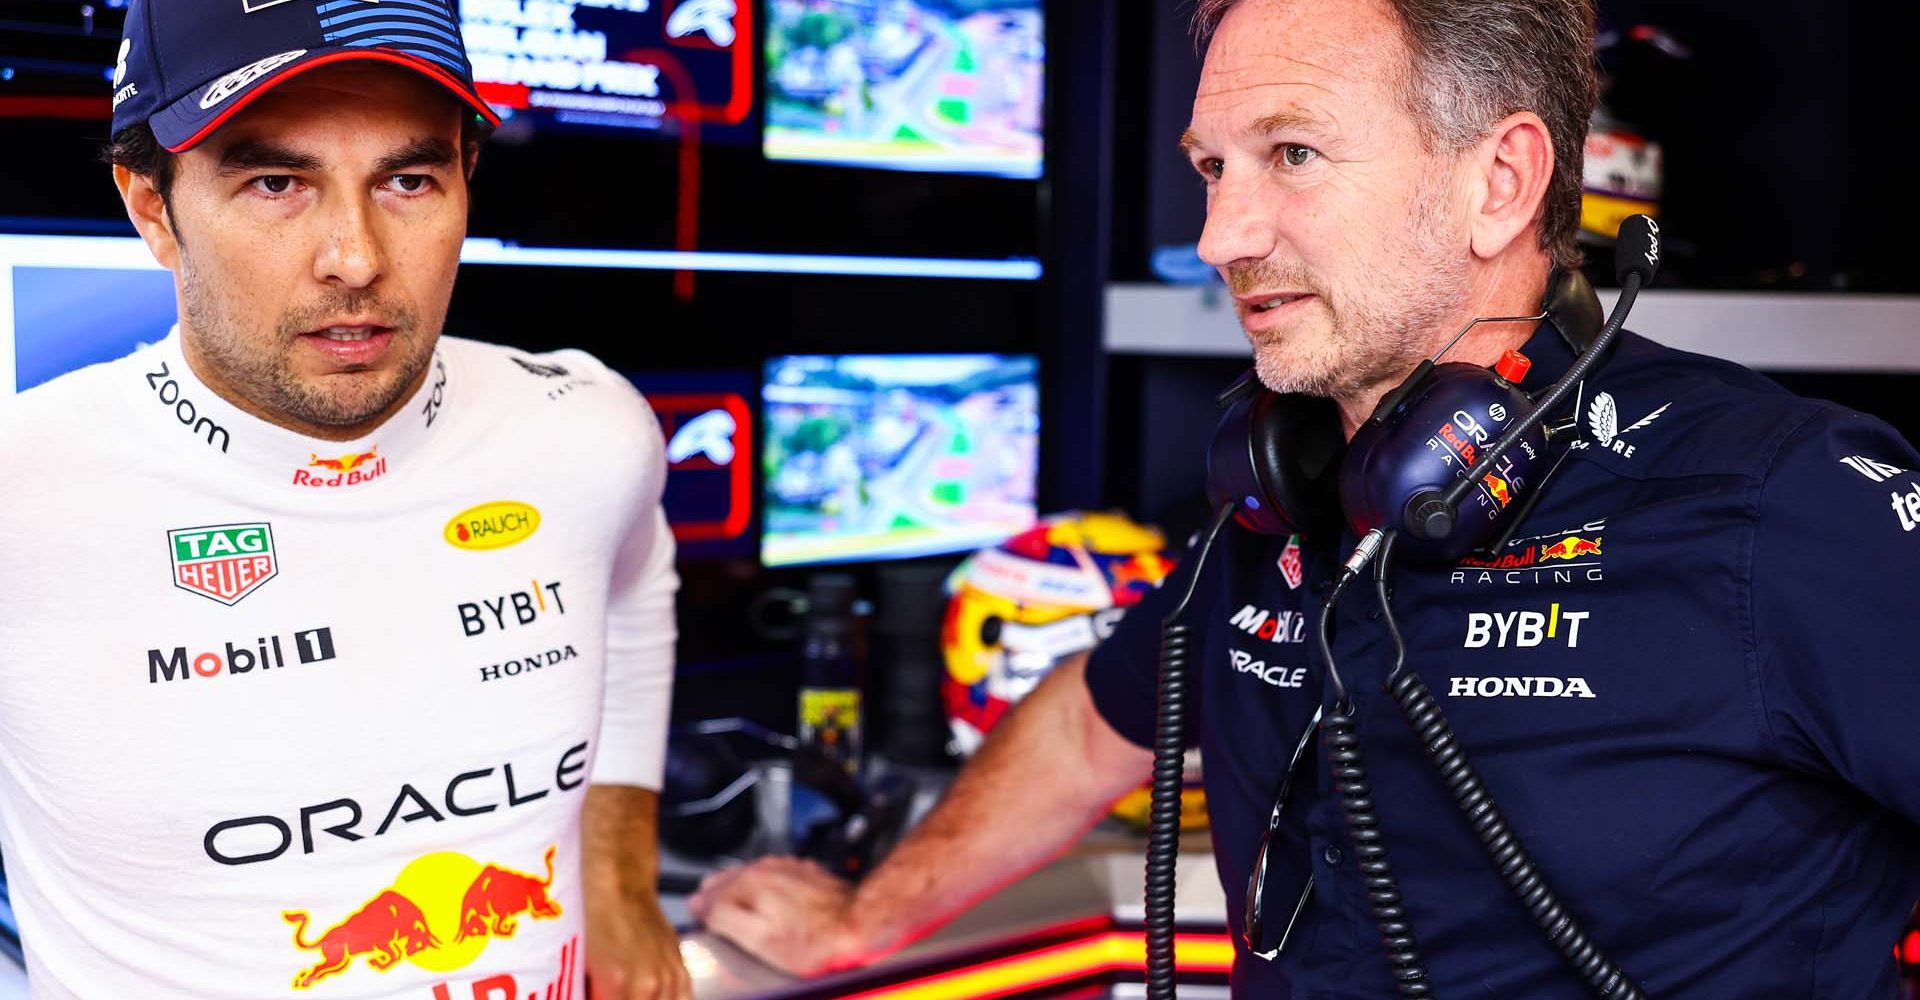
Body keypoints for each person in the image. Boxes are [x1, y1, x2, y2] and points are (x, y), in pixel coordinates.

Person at [690, 0, 1920, 996]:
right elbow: (1092, 720)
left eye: (1292, 154)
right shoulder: (1289, 490)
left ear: (1499, 180)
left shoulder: (1786, 499)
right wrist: (863, 915)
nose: (1223, 231)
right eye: (1211, 167)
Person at [0, 0, 690, 996]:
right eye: (278, 182)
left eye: (409, 179)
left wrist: (620, 870)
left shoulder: (587, 429)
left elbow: (635, 586)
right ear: (152, 208)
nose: (356, 258)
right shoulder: (24, 494)